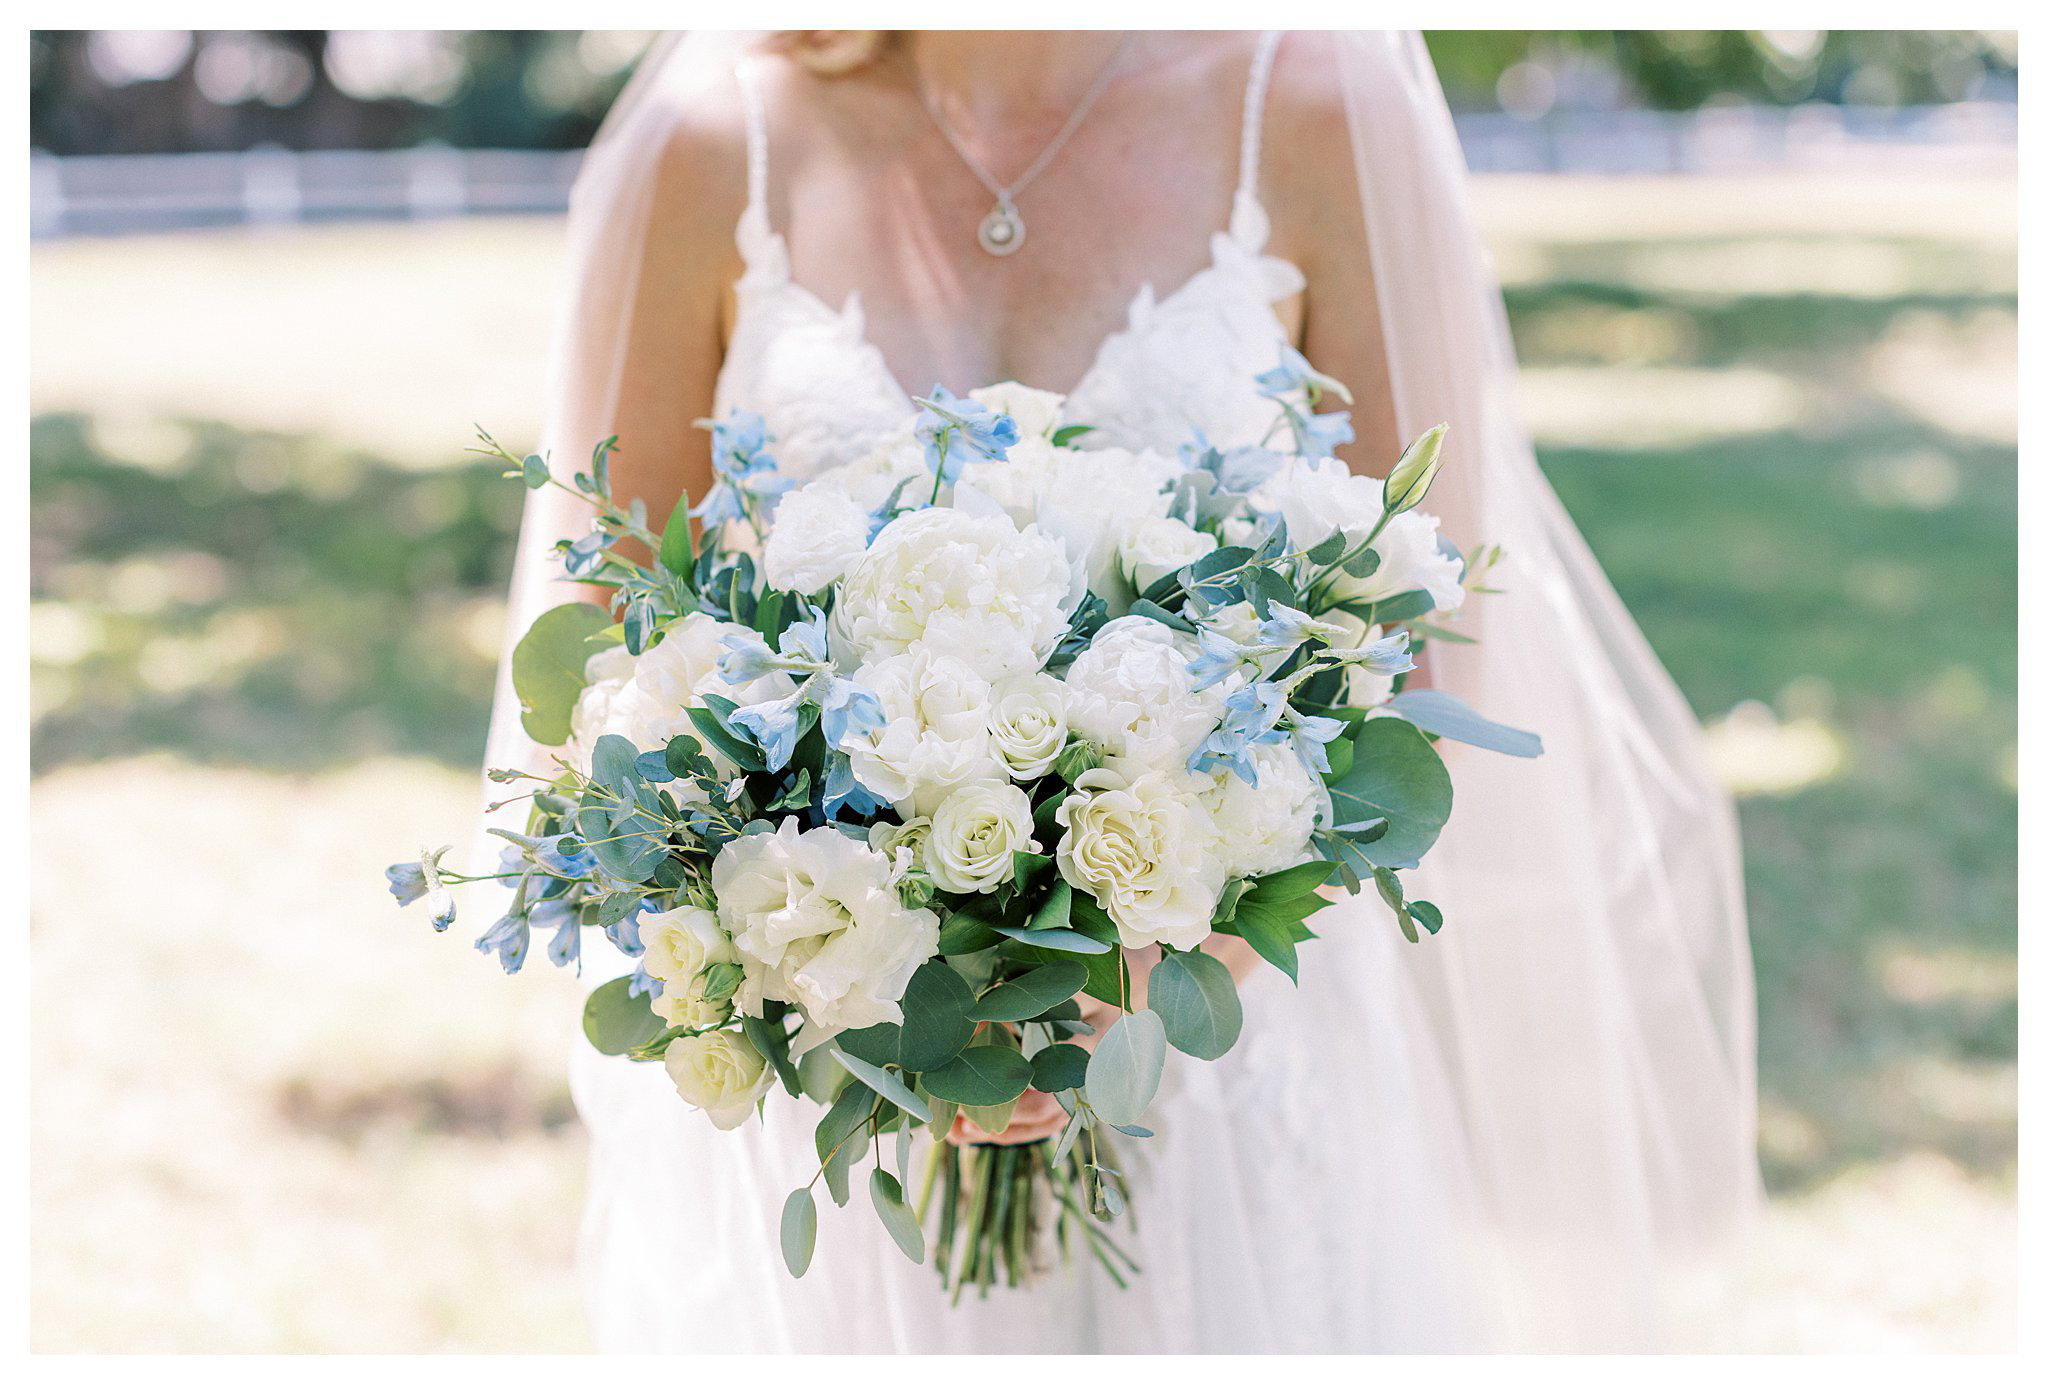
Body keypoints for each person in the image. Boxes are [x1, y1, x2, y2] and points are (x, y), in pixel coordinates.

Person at [484, 29, 1760, 1352]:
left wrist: (1160, 952)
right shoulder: (706, 145)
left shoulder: (1321, 106)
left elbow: (1425, 633)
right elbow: (608, 670)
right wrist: (868, 979)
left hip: (1230, 1073)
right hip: (848, 1106)